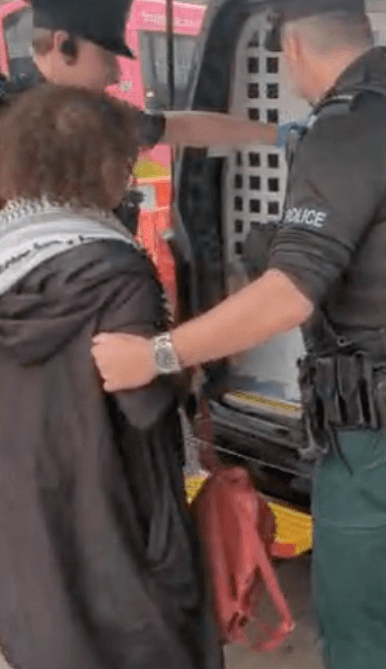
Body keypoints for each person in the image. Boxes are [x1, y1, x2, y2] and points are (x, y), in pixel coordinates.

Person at [92, 0, 386, 669]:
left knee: (355, 627)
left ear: (293, 49)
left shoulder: (349, 130)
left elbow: (288, 294)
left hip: (385, 428)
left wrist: (155, 355)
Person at [0, 83, 223, 669]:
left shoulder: (6, 250)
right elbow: (142, 405)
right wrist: (183, 361)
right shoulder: (113, 267)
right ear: (102, 165)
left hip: (22, 520)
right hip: (116, 516)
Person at [0, 0, 277, 152]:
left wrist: (274, 134)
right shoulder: (12, 120)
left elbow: (183, 129)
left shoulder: (91, 115)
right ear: (64, 45)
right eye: (108, 58)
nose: (117, 76)